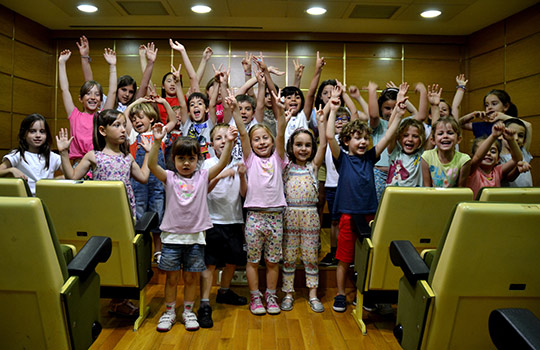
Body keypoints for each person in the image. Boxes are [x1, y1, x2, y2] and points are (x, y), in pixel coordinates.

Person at [57, 109, 150, 317]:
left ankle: (119, 300)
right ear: (102, 130)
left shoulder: (127, 157)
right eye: (117, 125)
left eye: (123, 125)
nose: (123, 129)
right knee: (103, 255)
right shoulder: (93, 156)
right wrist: (64, 153)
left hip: (125, 215)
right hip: (101, 215)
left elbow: (143, 177)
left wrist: (150, 154)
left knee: (123, 255)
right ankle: (99, 297)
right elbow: (72, 176)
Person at [327, 86, 406, 313]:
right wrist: (333, 109)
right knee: (343, 258)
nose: (362, 142)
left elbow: (389, 135)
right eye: (357, 138)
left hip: (369, 214)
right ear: (346, 141)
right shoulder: (342, 159)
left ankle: (366, 293)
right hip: (348, 216)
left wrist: (398, 114)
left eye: (365, 138)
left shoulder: (371, 157)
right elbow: (330, 135)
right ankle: (341, 294)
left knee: (367, 258)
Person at [227, 84, 287, 316]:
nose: (261, 142)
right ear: (250, 146)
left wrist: (280, 112)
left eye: (265, 139)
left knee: (272, 261)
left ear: (272, 142)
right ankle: (255, 298)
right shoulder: (249, 159)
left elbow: (280, 131)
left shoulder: (278, 159)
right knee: (252, 260)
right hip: (254, 217)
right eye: (257, 140)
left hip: (275, 216)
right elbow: (243, 132)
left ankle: (271, 296)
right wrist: (233, 110)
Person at [198, 123, 249, 329]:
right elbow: (203, 191)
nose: (222, 141)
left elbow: (245, 195)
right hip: (213, 222)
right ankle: (204, 303)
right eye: (218, 138)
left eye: (225, 138)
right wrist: (219, 175)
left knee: (232, 261)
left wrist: (243, 175)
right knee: (210, 264)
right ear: (212, 144)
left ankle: (224, 291)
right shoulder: (207, 164)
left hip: (235, 220)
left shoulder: (238, 163)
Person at [280, 107, 327, 313]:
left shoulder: (313, 166)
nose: (303, 149)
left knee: (310, 257)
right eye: (298, 144)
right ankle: (288, 293)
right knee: (289, 257)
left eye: (307, 145)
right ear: (291, 147)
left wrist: (323, 123)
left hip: (310, 215)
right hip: (289, 215)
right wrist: (285, 119)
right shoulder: (286, 166)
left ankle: (313, 294)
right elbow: (279, 141)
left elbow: (324, 144)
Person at [125, 96, 177, 263]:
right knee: (139, 217)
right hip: (138, 183)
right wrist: (137, 102)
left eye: (140, 117)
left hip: (157, 184)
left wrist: (163, 103)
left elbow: (174, 120)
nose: (136, 122)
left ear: (151, 118)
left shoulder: (158, 133)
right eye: (134, 120)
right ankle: (141, 250)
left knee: (157, 216)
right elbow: (125, 115)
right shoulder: (133, 135)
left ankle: (158, 250)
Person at [367, 81, 427, 201]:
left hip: (398, 172)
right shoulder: (378, 124)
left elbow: (419, 115)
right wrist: (372, 92)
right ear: (381, 109)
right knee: (380, 206)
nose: (391, 111)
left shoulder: (404, 125)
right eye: (387, 108)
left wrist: (402, 98)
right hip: (379, 172)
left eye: (394, 107)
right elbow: (374, 115)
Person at [58, 48, 117, 165]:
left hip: (99, 162)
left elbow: (112, 91)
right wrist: (61, 63)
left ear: (100, 101)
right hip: (78, 163)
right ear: (80, 99)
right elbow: (64, 89)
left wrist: (112, 66)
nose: (93, 97)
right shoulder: (74, 115)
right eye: (88, 93)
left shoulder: (102, 116)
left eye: (97, 94)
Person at [77, 36, 156, 112]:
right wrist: (84, 57)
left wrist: (150, 62)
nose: (127, 94)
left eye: (131, 92)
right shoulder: (106, 101)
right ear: (117, 89)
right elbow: (89, 82)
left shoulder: (134, 105)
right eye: (123, 90)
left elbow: (144, 84)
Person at [319, 106, 354, 266]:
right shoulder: (328, 140)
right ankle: (334, 252)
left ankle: (347, 253)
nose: (340, 122)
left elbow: (354, 115)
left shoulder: (350, 142)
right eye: (337, 119)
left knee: (347, 221)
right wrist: (330, 110)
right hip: (332, 186)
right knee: (334, 221)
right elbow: (325, 126)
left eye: (344, 119)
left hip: (348, 187)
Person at [0, 114, 61, 195]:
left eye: (42, 131)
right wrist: (12, 170)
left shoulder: (53, 156)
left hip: (48, 198)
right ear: (24, 134)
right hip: (25, 200)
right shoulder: (18, 155)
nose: (38, 135)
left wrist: (63, 152)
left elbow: (71, 175)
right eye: (32, 131)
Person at [467, 122, 521, 198]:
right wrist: (493, 136)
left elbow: (517, 159)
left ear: (498, 159)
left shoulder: (497, 171)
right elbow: (478, 158)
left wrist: (511, 140)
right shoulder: (472, 171)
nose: (488, 153)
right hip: (475, 208)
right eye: (485, 151)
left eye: (493, 151)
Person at [386, 84, 426, 187]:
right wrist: (397, 105)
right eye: (406, 135)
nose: (410, 139)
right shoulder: (395, 152)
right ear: (399, 137)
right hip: (394, 198)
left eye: (415, 136)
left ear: (421, 139)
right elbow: (391, 128)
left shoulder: (422, 154)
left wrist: (424, 92)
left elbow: (433, 130)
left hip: (414, 198)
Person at [421, 116, 471, 187]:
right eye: (440, 133)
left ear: (458, 139)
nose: (445, 136)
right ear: (433, 140)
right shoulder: (427, 157)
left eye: (450, 133)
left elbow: (461, 189)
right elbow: (427, 188)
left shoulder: (464, 160)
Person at [501, 118, 533, 187]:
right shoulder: (498, 157)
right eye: (511, 134)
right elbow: (508, 177)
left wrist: (502, 116)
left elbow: (528, 125)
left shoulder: (524, 152)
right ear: (501, 135)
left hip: (529, 195)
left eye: (520, 135)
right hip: (511, 196)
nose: (516, 138)